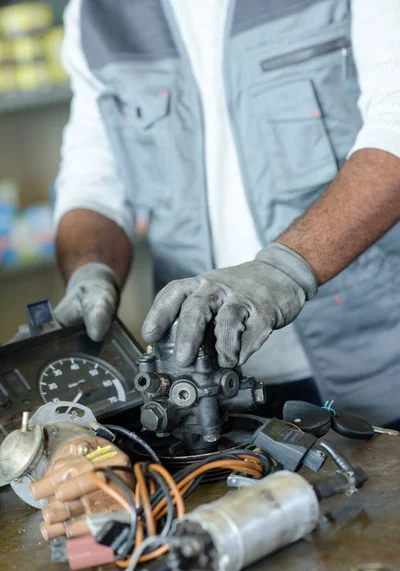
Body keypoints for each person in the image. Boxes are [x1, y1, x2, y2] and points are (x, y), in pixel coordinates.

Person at [54, 0, 400, 426]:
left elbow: (394, 124)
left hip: (374, 355)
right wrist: (91, 270)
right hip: (196, 384)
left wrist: (284, 271)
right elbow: (94, 178)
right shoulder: (96, 13)